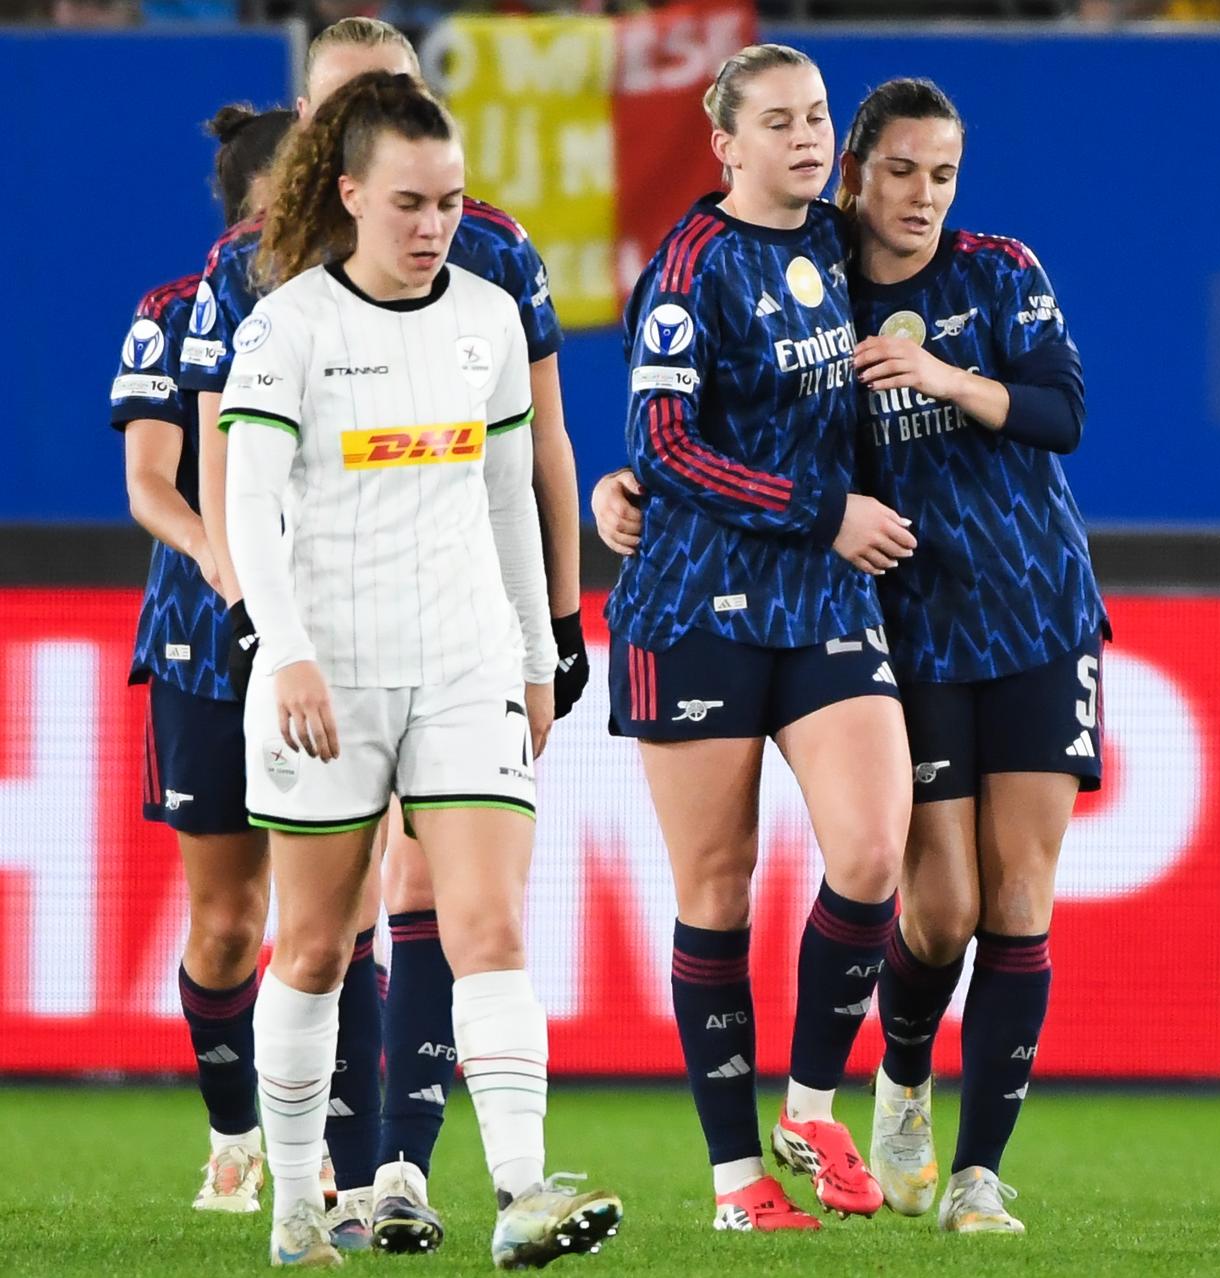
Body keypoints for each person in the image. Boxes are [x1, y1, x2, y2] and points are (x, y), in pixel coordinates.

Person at [593, 74, 1104, 1236]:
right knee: (911, 910)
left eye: (944, 175)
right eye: (900, 169)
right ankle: (818, 1129)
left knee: (961, 883)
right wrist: (637, 482)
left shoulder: (974, 268)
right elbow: (682, 422)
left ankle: (932, 1158)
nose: (920, 197)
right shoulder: (741, 260)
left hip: (975, 607)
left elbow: (1064, 410)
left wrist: (944, 379)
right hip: (817, 613)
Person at [180, 17, 589, 1251]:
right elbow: (244, 501)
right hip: (330, 669)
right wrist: (283, 647)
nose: (434, 225)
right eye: (410, 202)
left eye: (452, 202)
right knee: (309, 946)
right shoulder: (287, 326)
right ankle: (300, 1199)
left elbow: (512, 494)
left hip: (463, 659)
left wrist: (535, 653)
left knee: (490, 928)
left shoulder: (487, 319)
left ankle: (522, 1196)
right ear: (350, 191)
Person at [602, 42, 913, 1233]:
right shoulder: (688, 269)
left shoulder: (840, 244)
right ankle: (739, 1184)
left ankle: (807, 1102)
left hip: (824, 604)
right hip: (696, 606)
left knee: (871, 854)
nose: (806, 137)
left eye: (818, 116)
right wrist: (822, 511)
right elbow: (668, 443)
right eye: (777, 121)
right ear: (725, 144)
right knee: (717, 891)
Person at [111, 102, 294, 1216]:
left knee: (337, 920)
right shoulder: (174, 310)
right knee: (230, 922)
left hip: (337, 638)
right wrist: (231, 570)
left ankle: (330, 1142)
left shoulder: (356, 311)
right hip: (205, 642)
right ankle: (235, 1140)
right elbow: (150, 486)